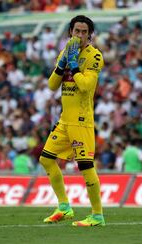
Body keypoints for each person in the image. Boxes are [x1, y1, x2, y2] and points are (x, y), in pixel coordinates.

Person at [39, 15, 105, 227]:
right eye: (77, 31)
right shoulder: (66, 52)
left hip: (81, 120)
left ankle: (97, 216)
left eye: (85, 32)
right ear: (70, 32)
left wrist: (75, 65)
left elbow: (85, 86)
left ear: (89, 35)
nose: (80, 35)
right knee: (46, 159)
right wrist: (63, 63)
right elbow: (51, 85)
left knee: (85, 166)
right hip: (65, 120)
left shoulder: (95, 56)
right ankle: (64, 207)